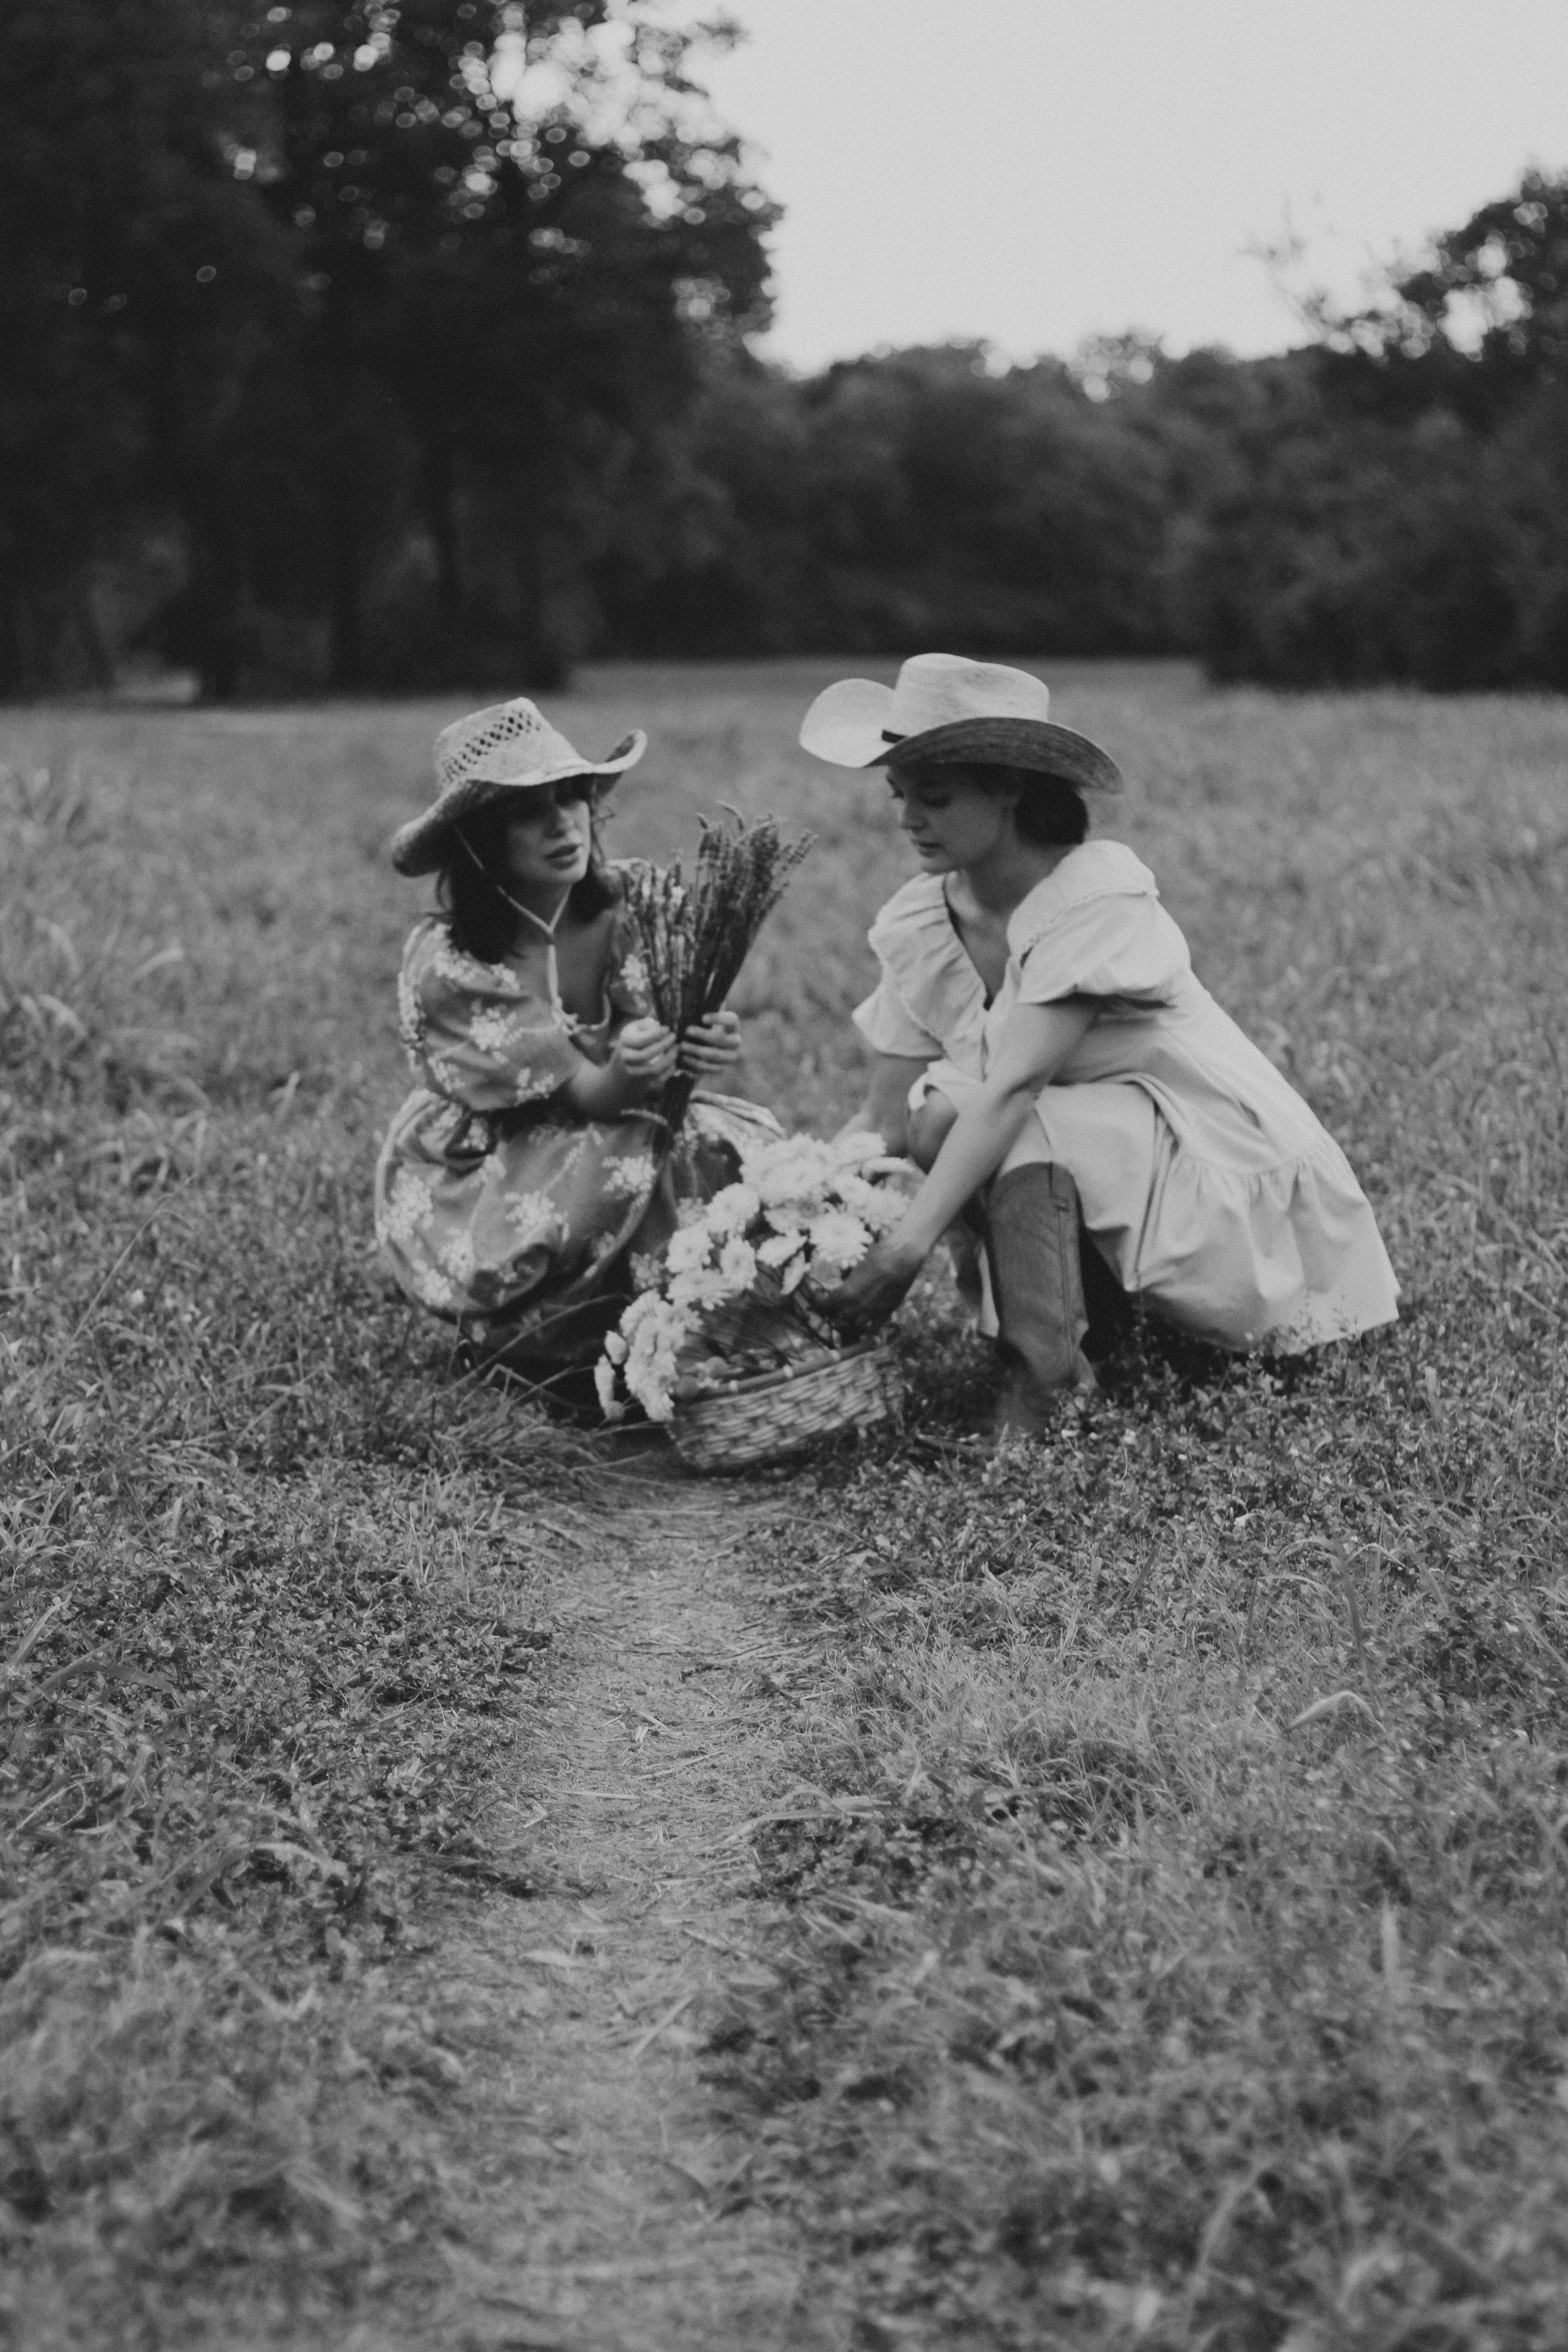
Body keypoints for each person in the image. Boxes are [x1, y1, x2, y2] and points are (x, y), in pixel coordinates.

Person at [799, 654, 1400, 1439]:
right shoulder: (920, 923)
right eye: (900, 795)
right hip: (1094, 1156)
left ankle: (1047, 1386)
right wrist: (783, 1212)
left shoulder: (1094, 895)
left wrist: (905, 1250)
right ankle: (1097, 1339)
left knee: (980, 1112)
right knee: (934, 1115)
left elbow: (1014, 1089)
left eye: (935, 798)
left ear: (1009, 788)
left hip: (1205, 1156)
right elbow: (879, 1122)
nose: (908, 818)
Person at [375, 696, 779, 1377]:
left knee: (706, 1145)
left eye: (572, 797)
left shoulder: (635, 903)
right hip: (502, 1148)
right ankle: (553, 1349)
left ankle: (681, 1333)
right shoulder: (450, 962)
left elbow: (660, 1066)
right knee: (619, 1162)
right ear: (477, 841)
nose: (563, 824)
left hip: (628, 1113)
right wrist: (629, 1070)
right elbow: (592, 1094)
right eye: (526, 812)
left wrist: (698, 1045)